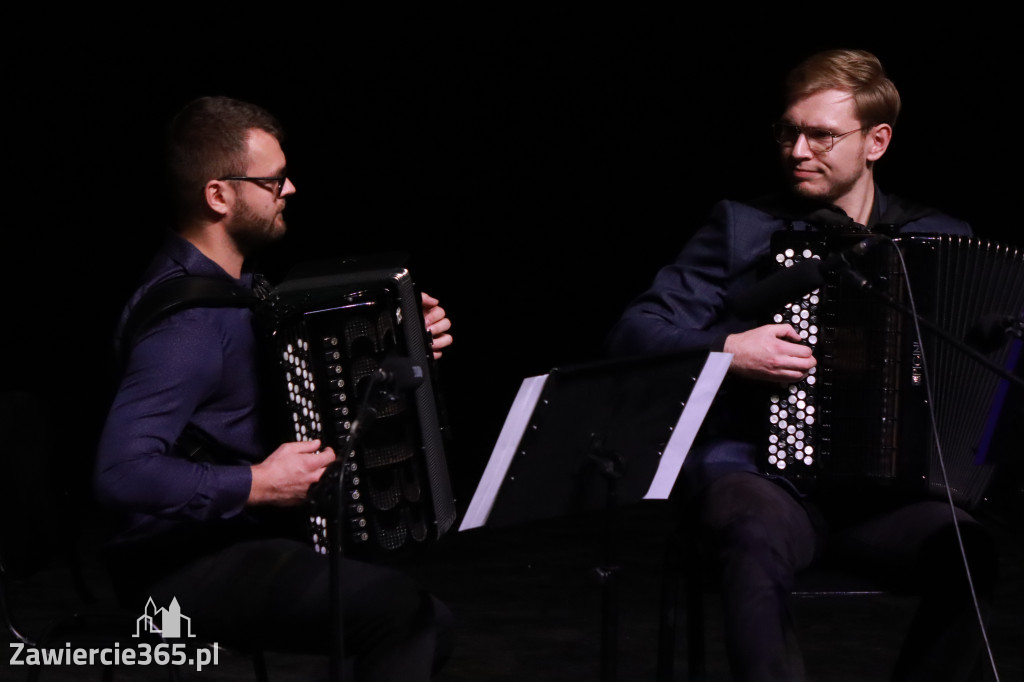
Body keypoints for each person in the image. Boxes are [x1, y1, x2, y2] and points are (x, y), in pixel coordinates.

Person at [607, 49, 998, 681]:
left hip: (891, 497)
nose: (796, 150)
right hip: (766, 479)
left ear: (877, 142)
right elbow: (634, 331)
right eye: (788, 131)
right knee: (749, 532)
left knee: (968, 549)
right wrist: (727, 351)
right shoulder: (745, 227)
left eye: (821, 136)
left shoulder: (938, 239)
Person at [94, 96, 454, 681]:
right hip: (176, 572)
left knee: (416, 614)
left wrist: (409, 343)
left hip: (236, 544)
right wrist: (256, 483)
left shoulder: (240, 290)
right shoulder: (186, 326)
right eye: (273, 180)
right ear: (219, 195)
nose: (290, 189)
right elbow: (121, 473)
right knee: (405, 616)